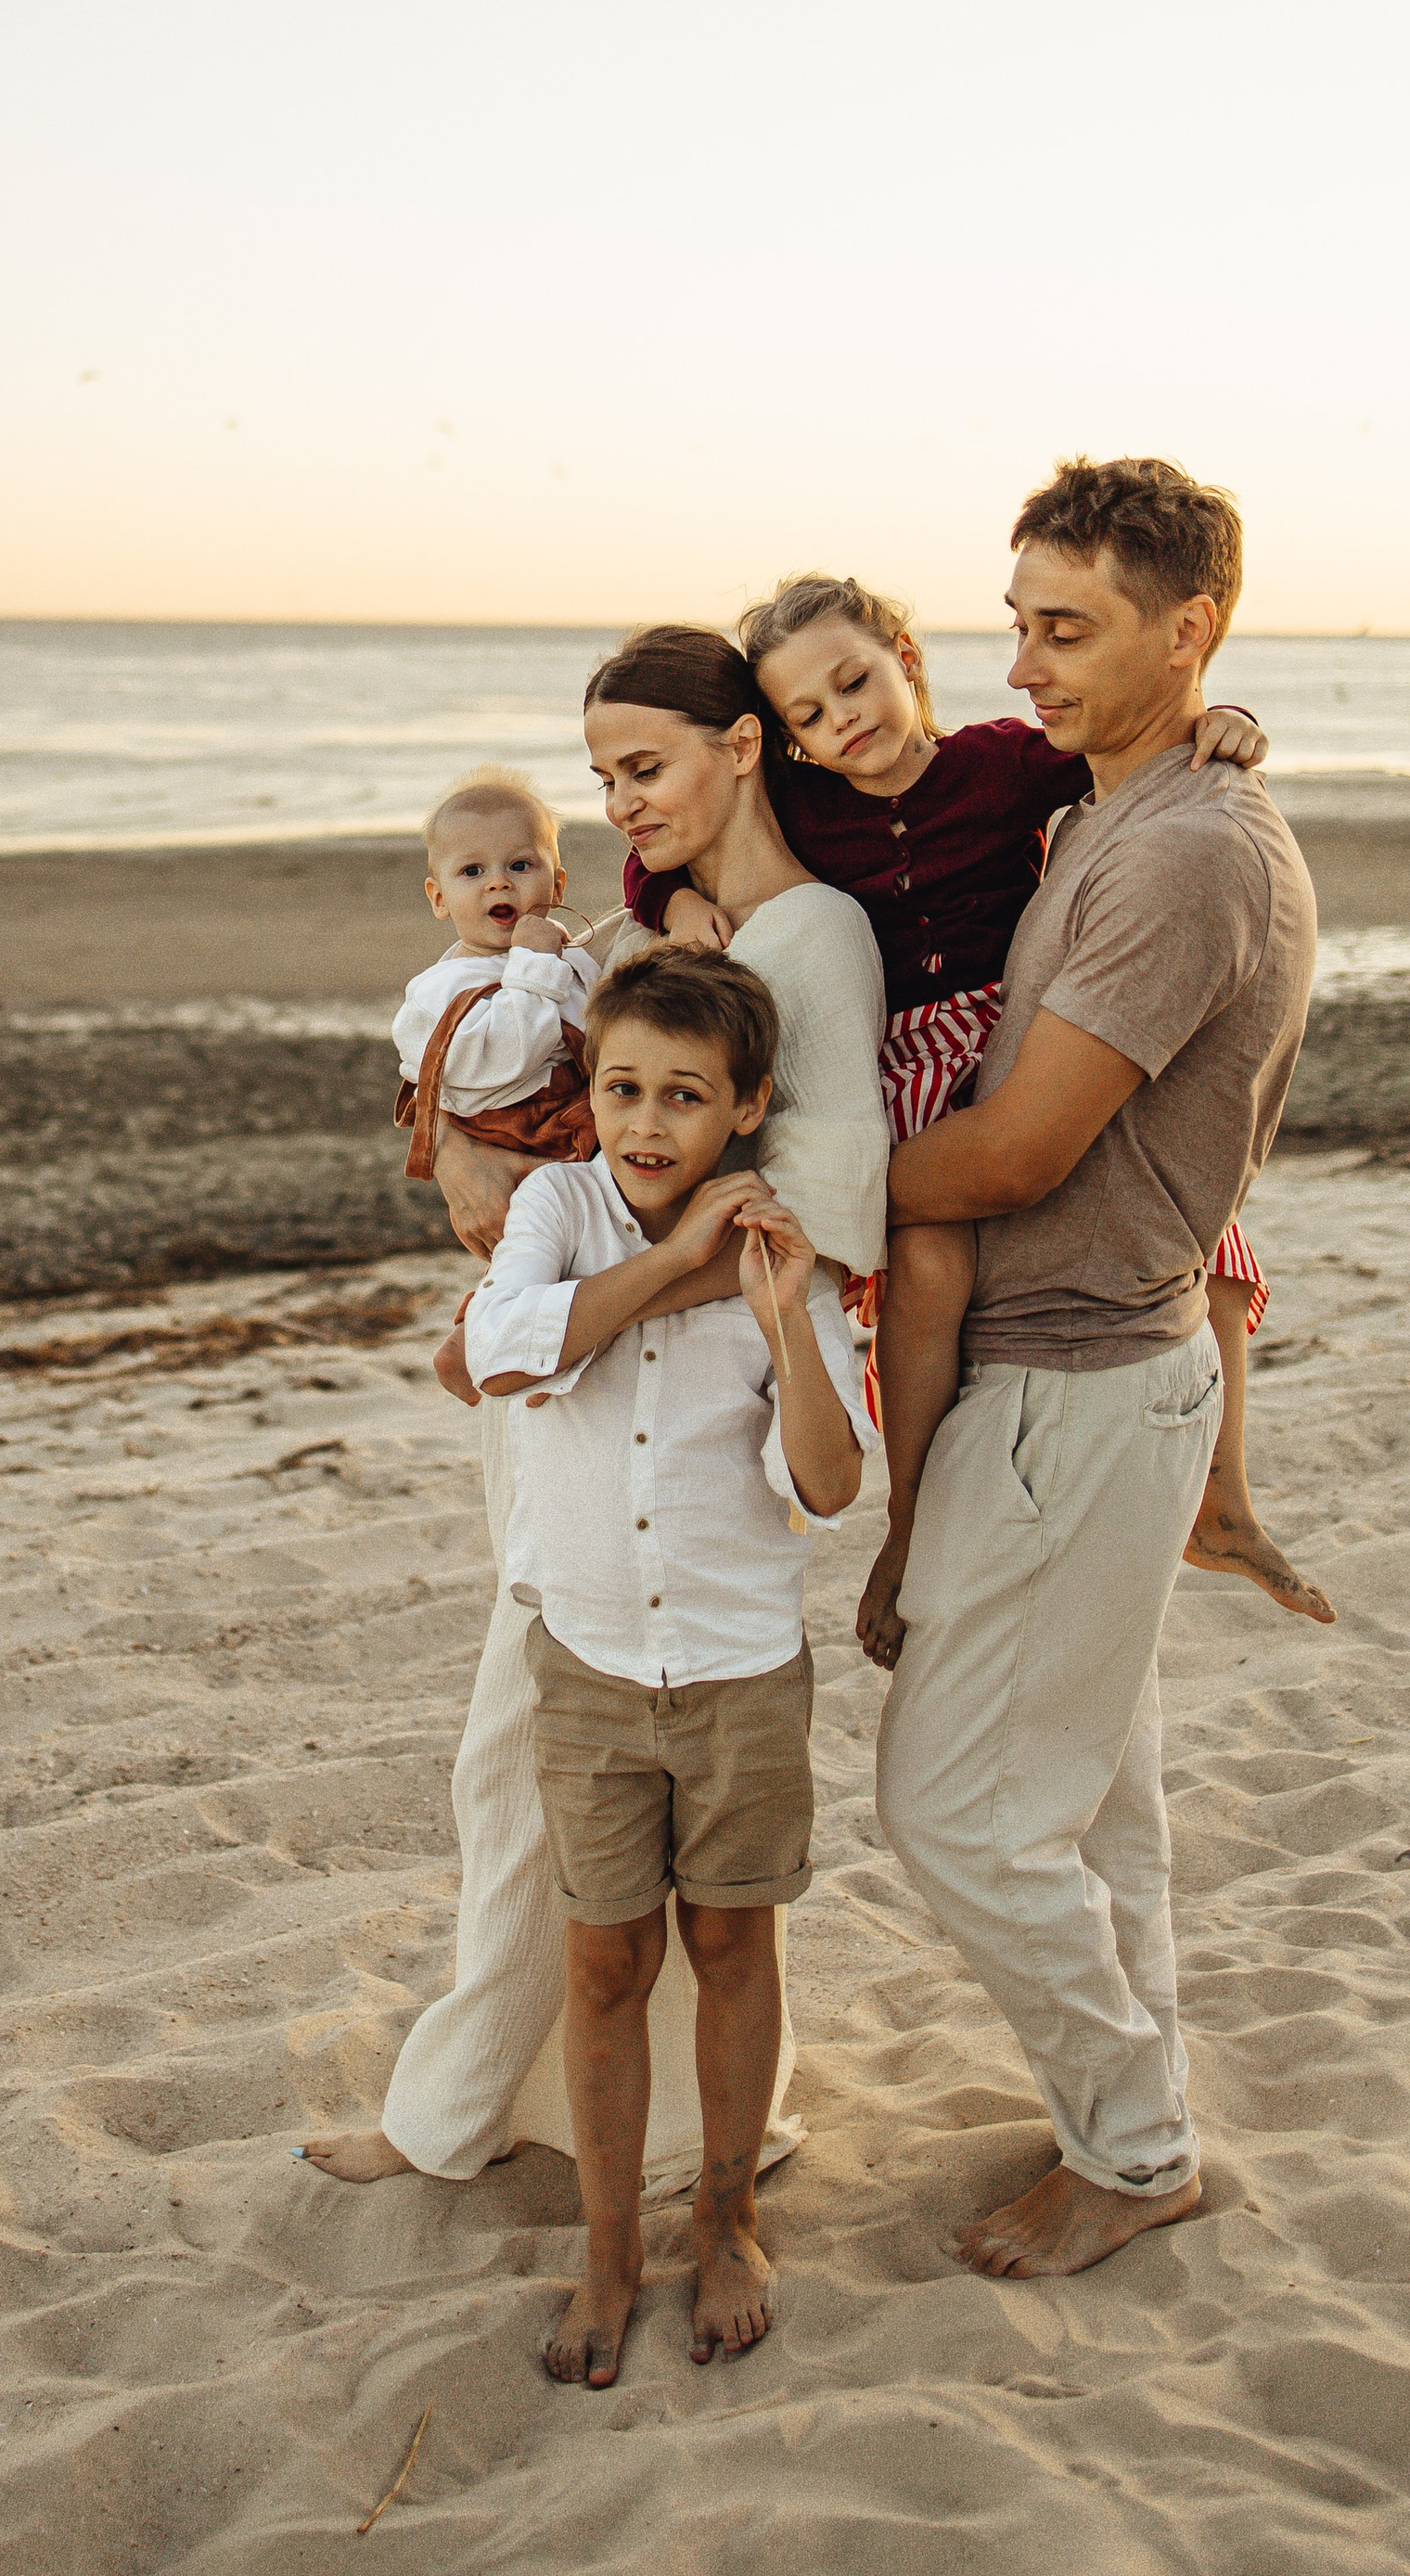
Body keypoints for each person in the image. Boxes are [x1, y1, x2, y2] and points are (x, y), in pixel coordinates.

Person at [300, 625, 886, 2194]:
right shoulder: (655, 919)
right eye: (603, 778)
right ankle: (520, 2110)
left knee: (529, 1770)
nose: (618, 806)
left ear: (741, 749)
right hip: (561, 1391)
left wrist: (568, 1313)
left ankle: (478, 2119)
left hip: (662, 1403)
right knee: (538, 1779)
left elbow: (812, 1211)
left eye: (643, 769)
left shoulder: (812, 934)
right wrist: (465, 1173)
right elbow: (539, 1098)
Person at [870, 458, 1317, 2280]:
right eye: (1016, 624)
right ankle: (1138, 2120)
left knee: (953, 1812)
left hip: (1075, 1385)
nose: (1025, 665)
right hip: (1084, 1384)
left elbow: (1012, 1154)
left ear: (1183, 630)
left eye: (1066, 630)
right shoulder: (1117, 815)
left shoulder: (1190, 852)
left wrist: (773, 1188)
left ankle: (1132, 2152)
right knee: (1083, 1792)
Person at [629, 575, 1329, 1628]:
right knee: (930, 1259)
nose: (841, 721)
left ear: (904, 657)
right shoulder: (804, 804)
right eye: (806, 718)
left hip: (1015, 1029)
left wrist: (1231, 720)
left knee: (1216, 1248)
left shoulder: (998, 760)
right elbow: (670, 836)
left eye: (853, 683)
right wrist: (671, 897)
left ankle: (1223, 1494)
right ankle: (911, 1518)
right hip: (910, 1054)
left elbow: (1134, 734)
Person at [464, 948, 871, 2384]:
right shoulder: (555, 1208)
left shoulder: (780, 1253)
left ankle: (729, 2214)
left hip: (743, 1667)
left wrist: (770, 1309)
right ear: (590, 1090)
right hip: (587, 1666)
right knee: (606, 1960)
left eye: (685, 1097)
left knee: (729, 1943)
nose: (648, 1121)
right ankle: (608, 2251)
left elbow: (826, 1484)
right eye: (624, 1087)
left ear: (744, 1106)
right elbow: (501, 1349)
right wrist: (673, 1262)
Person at [392, 768, 598, 1182]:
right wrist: (534, 964)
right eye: (472, 872)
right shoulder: (440, 989)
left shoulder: (565, 953)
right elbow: (509, 1056)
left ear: (557, 887)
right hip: (519, 1131)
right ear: (439, 899)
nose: (499, 883)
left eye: (520, 865)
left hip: (581, 1114)